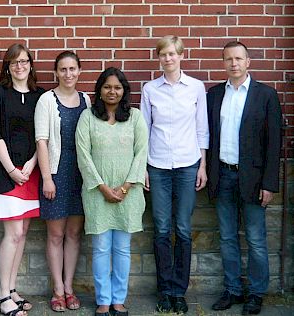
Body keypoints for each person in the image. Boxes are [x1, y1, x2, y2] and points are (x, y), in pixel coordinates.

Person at [207, 41, 282, 315]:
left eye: (238, 58)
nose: (234, 63)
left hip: (253, 179)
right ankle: (233, 290)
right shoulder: (214, 95)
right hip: (223, 174)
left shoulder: (265, 95)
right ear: (224, 63)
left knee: (255, 239)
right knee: (227, 237)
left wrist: (269, 183)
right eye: (228, 59)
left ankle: (257, 292)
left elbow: (274, 143)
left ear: (248, 61)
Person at [140, 35, 209, 314]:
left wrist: (203, 165)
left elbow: (201, 128)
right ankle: (165, 290)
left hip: (187, 164)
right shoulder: (150, 89)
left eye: (172, 54)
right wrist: (142, 167)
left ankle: (179, 291)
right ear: (159, 58)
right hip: (157, 166)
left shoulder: (195, 87)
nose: (168, 59)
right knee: (161, 229)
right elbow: (143, 130)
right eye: (163, 55)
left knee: (182, 228)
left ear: (181, 55)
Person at [76, 67, 148, 316]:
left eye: (117, 87)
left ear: (124, 91)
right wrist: (104, 188)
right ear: (99, 90)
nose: (112, 91)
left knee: (122, 249)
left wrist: (126, 186)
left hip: (129, 194)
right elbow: (83, 156)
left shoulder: (136, 117)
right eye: (107, 87)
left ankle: (119, 300)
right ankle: (103, 301)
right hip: (97, 193)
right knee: (101, 249)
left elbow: (142, 153)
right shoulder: (87, 118)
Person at [0, 43, 45, 316]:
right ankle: (1, 295)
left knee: (22, 235)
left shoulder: (40, 96)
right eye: (14, 62)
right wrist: (11, 168)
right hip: (6, 173)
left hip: (30, 172)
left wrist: (32, 165)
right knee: (13, 234)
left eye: (24, 61)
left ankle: (11, 289)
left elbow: (42, 136)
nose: (20, 66)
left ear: (30, 64)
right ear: (7, 67)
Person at [35, 51, 91, 312]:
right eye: (63, 69)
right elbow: (42, 141)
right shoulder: (47, 100)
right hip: (56, 173)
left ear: (79, 71)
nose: (68, 74)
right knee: (56, 234)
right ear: (56, 73)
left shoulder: (86, 100)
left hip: (81, 175)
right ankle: (57, 289)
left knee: (74, 233)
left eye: (73, 69)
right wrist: (47, 178)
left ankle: (69, 287)